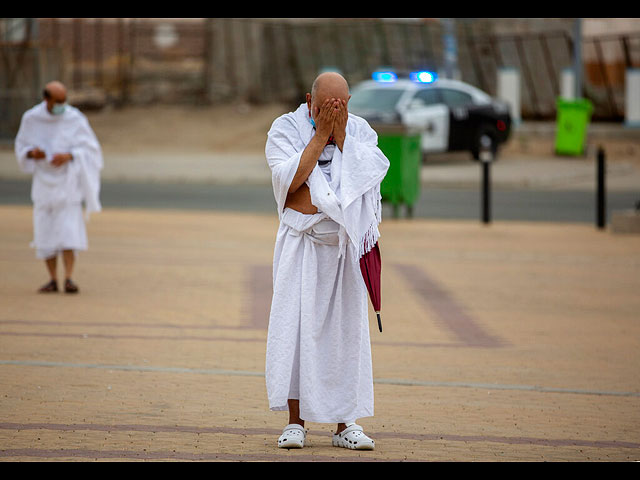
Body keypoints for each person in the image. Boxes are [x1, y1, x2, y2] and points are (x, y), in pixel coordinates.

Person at [264, 72, 389, 450]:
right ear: (309, 101)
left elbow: (364, 190)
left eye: (342, 107)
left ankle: (345, 424)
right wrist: (321, 136)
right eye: (325, 108)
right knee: (296, 330)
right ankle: (295, 422)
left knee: (345, 335)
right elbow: (289, 191)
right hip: (301, 249)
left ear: (349, 102)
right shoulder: (285, 129)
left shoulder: (362, 131)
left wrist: (342, 138)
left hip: (343, 252)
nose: (335, 114)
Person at [14, 81, 103, 294]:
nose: (62, 105)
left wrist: (70, 156)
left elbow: (91, 150)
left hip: (67, 183)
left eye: (64, 101)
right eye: (58, 102)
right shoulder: (31, 118)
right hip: (43, 183)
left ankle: (69, 277)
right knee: (45, 231)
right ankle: (53, 279)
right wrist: (31, 154)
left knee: (68, 231)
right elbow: (21, 147)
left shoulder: (75, 118)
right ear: (47, 100)